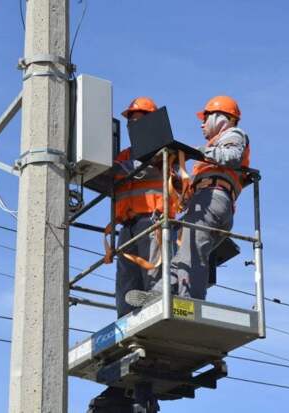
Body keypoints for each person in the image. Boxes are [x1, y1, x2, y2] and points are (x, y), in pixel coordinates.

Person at [87, 96, 174, 413]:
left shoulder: (163, 149)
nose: (133, 123)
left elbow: (147, 168)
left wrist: (118, 167)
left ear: (151, 119)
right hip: (127, 225)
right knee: (125, 284)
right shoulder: (126, 154)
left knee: (153, 275)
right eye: (130, 119)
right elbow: (117, 174)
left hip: (152, 219)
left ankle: (157, 315)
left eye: (139, 118)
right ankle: (128, 329)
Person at [126, 95, 250, 305]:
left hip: (213, 200)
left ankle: (191, 303)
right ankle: (158, 294)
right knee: (184, 255)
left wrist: (197, 152)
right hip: (210, 202)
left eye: (205, 117)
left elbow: (232, 157)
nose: (202, 124)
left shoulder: (233, 134)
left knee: (191, 253)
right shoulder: (214, 148)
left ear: (222, 117)